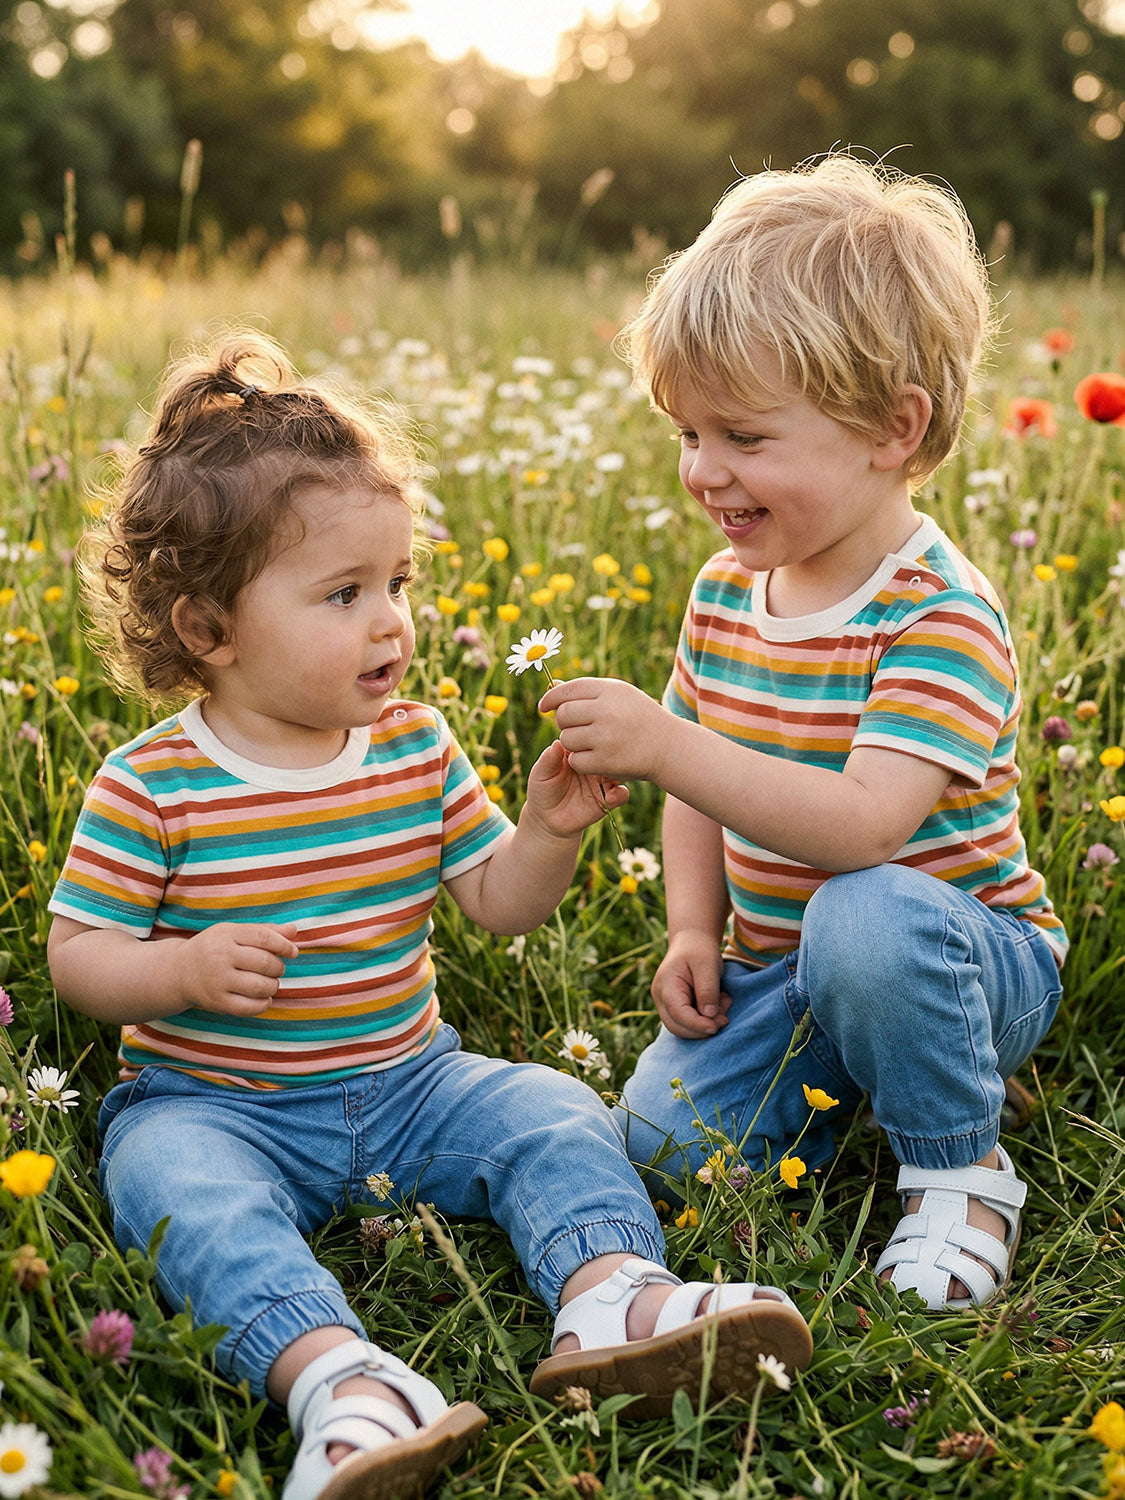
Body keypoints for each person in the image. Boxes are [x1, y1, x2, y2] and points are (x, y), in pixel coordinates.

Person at [47, 332, 812, 1500]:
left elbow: (498, 906)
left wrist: (548, 833)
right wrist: (181, 973)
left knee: (552, 1109)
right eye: (345, 594)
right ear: (209, 630)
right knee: (167, 1179)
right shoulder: (151, 784)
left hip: (411, 1082)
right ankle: (341, 1379)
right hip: (220, 1102)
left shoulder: (413, 746)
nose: (393, 621)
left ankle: (613, 1297)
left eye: (398, 583)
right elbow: (77, 958)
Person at [540, 155, 1066, 1314]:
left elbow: (868, 829)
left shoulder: (937, 616)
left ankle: (960, 1166)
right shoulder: (728, 592)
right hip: (786, 973)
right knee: (659, 1144)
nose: (704, 472)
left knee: (865, 916)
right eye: (686, 433)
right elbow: (700, 795)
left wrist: (669, 746)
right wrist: (693, 928)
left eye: (742, 436)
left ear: (892, 428)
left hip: (963, 957)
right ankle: (869, 1085)